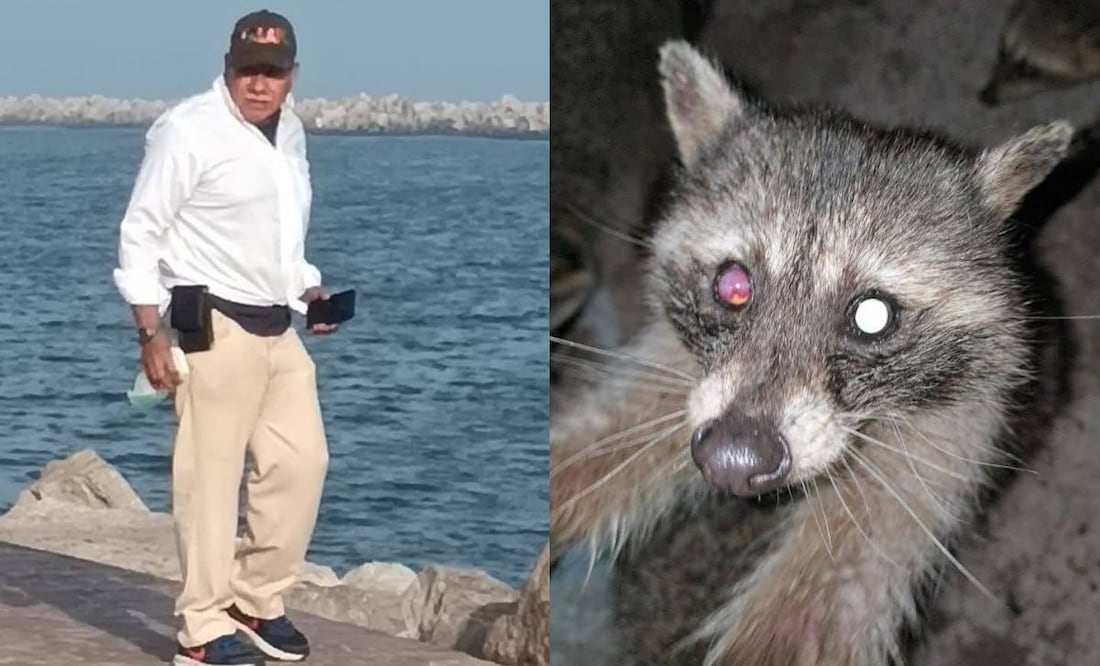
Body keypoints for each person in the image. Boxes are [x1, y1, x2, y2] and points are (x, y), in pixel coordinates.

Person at [112, 10, 333, 666]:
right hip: (209, 326)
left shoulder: (289, 134)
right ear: (228, 66)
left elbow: (280, 239)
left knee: (302, 464)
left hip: (277, 324)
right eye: (247, 71)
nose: (259, 84)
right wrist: (149, 331)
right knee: (208, 481)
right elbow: (140, 233)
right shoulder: (187, 132)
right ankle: (202, 631)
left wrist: (309, 291)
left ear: (293, 75)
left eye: (273, 72)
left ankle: (253, 599)